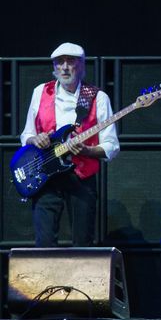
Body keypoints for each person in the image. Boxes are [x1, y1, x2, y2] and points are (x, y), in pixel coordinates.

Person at [20, 42, 120, 247]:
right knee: (44, 242)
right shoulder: (40, 92)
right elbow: (27, 134)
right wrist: (34, 139)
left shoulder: (97, 98)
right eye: (59, 62)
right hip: (45, 176)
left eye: (71, 61)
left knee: (82, 244)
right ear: (54, 67)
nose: (65, 67)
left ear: (81, 65)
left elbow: (111, 145)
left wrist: (87, 150)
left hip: (80, 178)